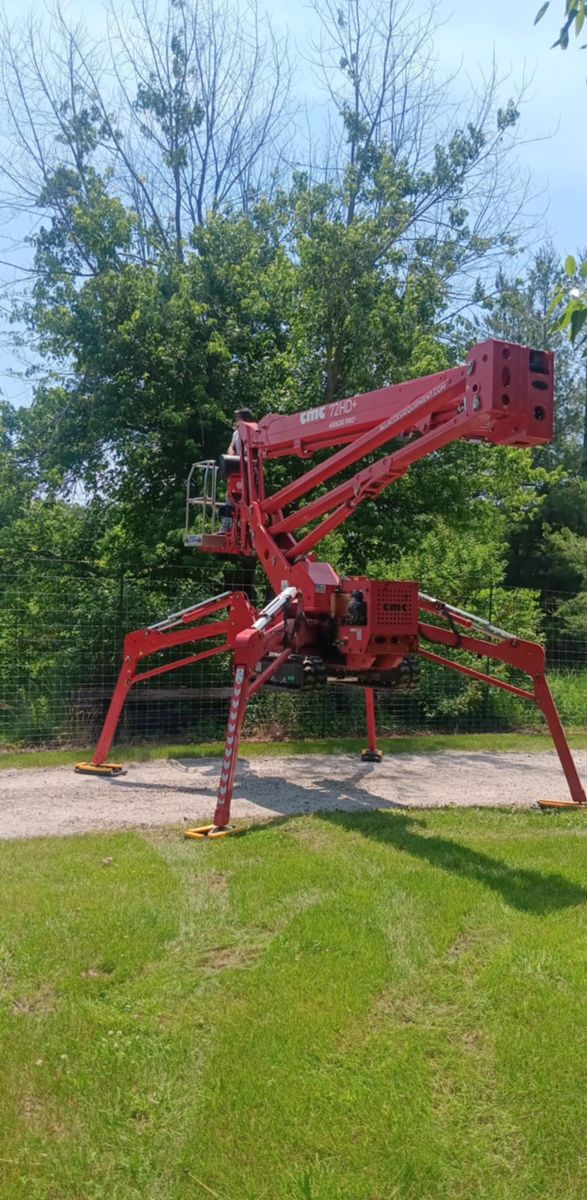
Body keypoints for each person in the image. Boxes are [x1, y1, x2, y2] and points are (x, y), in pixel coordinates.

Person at [220, 408, 254, 534]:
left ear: (244, 418)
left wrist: (245, 458)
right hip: (237, 468)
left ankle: (247, 526)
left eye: (237, 417)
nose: (236, 420)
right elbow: (231, 446)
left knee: (248, 498)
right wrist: (231, 455)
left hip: (248, 469)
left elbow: (251, 449)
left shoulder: (251, 430)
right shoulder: (236, 433)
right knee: (231, 496)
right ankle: (227, 525)